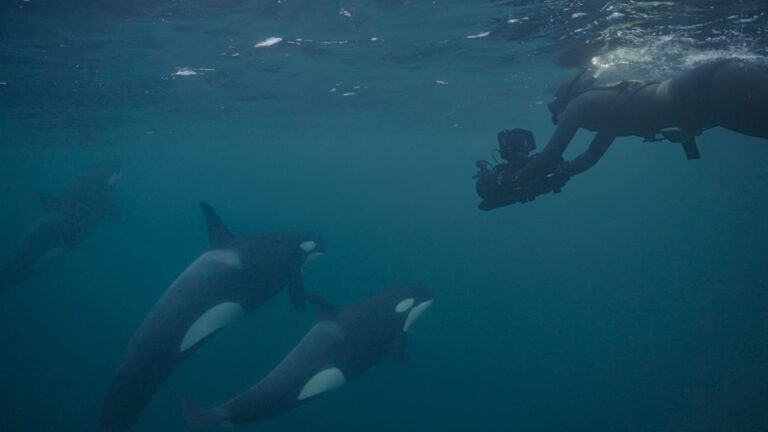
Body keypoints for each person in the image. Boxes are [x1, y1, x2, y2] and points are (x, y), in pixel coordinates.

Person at [476, 59, 768, 209]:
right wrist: (557, 176)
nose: (559, 117)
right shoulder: (611, 111)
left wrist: (515, 181)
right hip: (715, 94)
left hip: (711, 88)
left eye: (558, 112)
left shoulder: (581, 103)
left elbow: (553, 154)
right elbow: (588, 158)